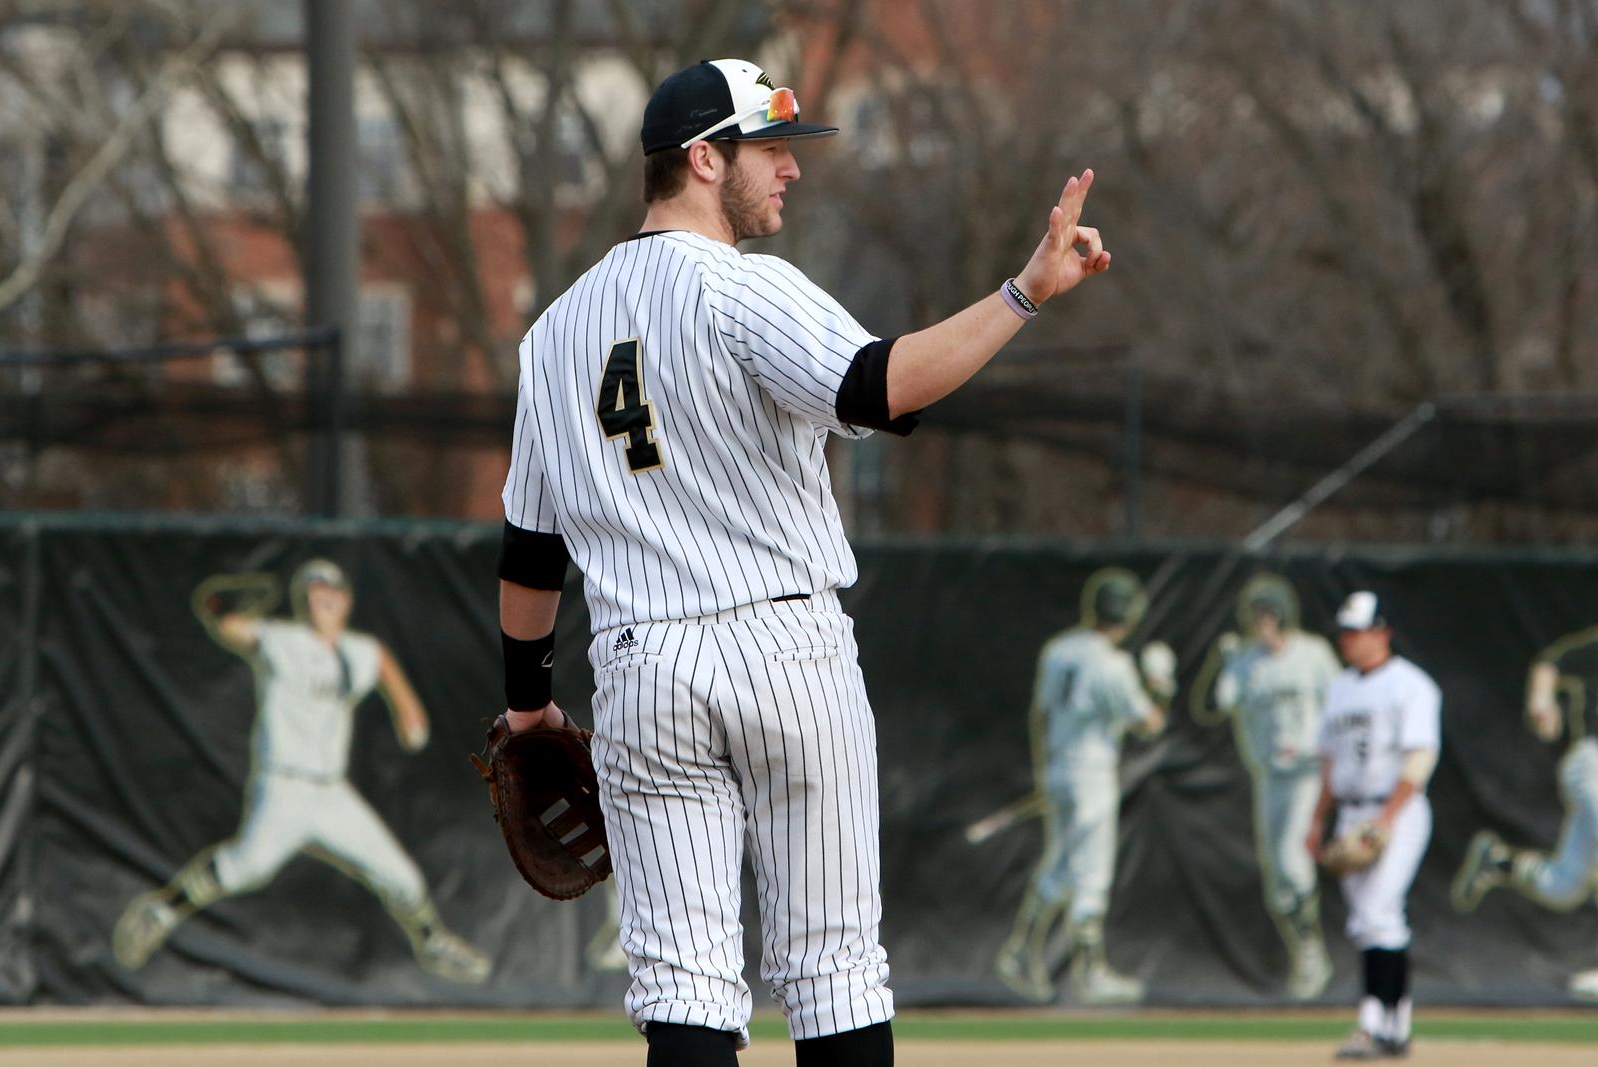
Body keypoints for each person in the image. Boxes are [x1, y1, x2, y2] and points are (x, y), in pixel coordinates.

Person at [494, 57, 1110, 1066]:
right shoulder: (738, 289)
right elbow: (879, 387)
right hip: (783, 646)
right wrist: (1022, 293)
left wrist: (527, 708)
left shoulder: (552, 333)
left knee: (681, 983)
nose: (790, 169)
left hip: (642, 664)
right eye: (768, 147)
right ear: (703, 158)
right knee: (830, 969)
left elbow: (529, 551)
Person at [112, 560, 490, 984]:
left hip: (331, 793)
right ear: (303, 600)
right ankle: (161, 910)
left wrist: (408, 712)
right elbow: (222, 620)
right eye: (313, 590)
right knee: (246, 867)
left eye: (330, 590)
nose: (322, 597)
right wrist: (230, 598)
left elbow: (384, 665)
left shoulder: (359, 651)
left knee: (399, 874)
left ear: (345, 600)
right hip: (283, 787)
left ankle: (433, 941)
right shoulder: (281, 640)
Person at [994, 568, 1171, 1005]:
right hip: (1091, 773)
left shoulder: (1059, 650)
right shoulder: (1113, 664)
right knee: (1091, 870)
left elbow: (1039, 716)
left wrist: (1044, 769)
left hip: (1057, 766)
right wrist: (1162, 685)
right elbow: (1150, 723)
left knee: (1060, 865)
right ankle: (1087, 971)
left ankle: (1021, 950)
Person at [1190, 573, 1339, 999]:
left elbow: (1342, 705)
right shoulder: (1244, 660)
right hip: (1269, 777)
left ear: (1285, 614)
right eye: (1255, 615)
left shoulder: (1312, 653)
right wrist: (1219, 664)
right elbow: (1210, 707)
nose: (1262, 622)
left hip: (1307, 773)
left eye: (1269, 613)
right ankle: (1306, 951)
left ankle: (1312, 952)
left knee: (1294, 861)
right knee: (1277, 884)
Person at [1307, 591, 1440, 1060]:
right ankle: (1397, 1025)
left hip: (1397, 811)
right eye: (1343, 632)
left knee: (1376, 913)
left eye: (1356, 631)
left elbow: (1420, 759)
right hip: (1351, 811)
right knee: (1375, 923)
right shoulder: (1340, 687)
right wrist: (1317, 818)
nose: (1347, 640)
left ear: (1382, 632)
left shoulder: (1411, 685)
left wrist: (1384, 820)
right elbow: (1329, 760)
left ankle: (1369, 1024)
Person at [1451, 625, 1598, 1000]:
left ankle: (1499, 862)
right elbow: (1550, 663)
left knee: (1563, 885)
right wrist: (1541, 701)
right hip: (1593, 762)